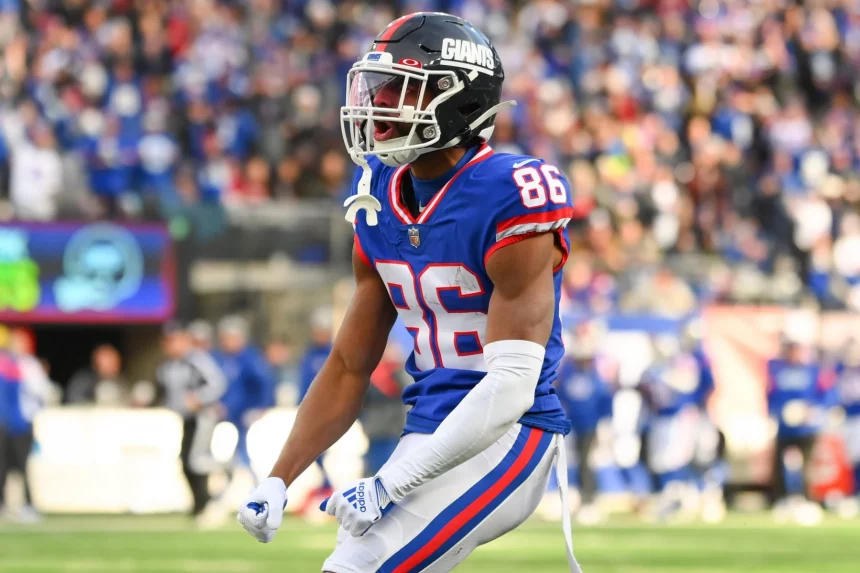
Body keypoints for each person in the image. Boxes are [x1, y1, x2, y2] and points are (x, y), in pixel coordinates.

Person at [237, 13, 581, 573]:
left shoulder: (511, 192)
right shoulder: (377, 188)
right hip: (428, 427)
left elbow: (512, 386)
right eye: (376, 89)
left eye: (400, 89)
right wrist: (278, 477)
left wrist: (389, 482)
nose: (377, 106)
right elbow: (350, 365)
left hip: (508, 432)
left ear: (459, 101)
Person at [155, 322, 227, 517]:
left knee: (196, 459)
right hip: (186, 418)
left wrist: (199, 398)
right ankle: (200, 505)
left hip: (202, 417)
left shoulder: (197, 360)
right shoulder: (167, 367)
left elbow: (217, 383)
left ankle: (221, 479)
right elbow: (168, 395)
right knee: (186, 461)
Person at [766, 340, 835, 512]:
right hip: (785, 427)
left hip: (807, 428)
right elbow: (770, 395)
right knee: (779, 464)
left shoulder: (813, 371)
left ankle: (807, 499)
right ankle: (780, 499)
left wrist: (813, 410)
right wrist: (778, 412)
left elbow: (828, 395)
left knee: (807, 465)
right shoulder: (777, 370)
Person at [214, 316, 275, 475]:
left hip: (244, 413)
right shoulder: (219, 358)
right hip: (225, 415)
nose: (228, 342)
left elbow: (264, 383)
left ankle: (255, 484)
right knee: (227, 454)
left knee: (242, 452)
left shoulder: (250, 358)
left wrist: (261, 406)